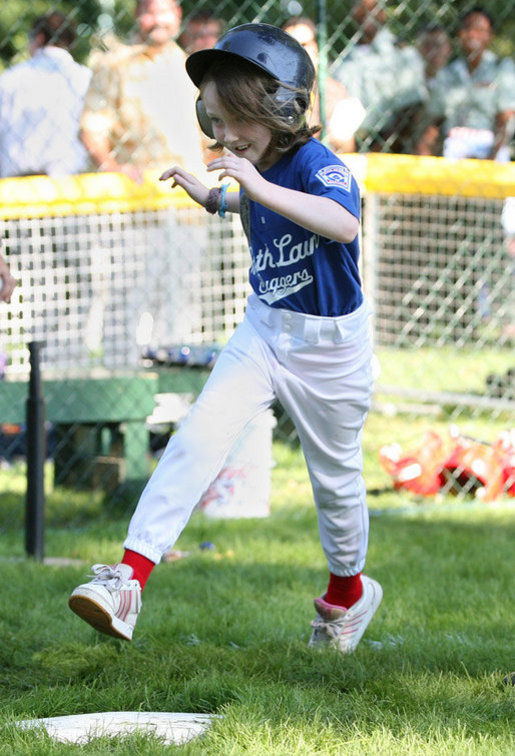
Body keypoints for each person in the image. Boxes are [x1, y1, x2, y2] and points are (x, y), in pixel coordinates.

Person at [68, 23, 383, 654]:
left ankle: (347, 595)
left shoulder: (313, 162)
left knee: (336, 481)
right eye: (213, 117)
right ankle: (129, 578)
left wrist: (255, 185)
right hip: (264, 331)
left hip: (330, 349)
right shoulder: (253, 169)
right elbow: (255, 205)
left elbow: (343, 224)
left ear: (282, 107)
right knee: (197, 439)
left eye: (236, 116)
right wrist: (216, 197)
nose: (224, 133)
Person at [80, 0, 204, 182]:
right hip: (137, 195)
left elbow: (210, 143)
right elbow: (91, 131)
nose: (158, 20)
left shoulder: (190, 66)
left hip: (191, 192)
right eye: (150, 12)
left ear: (178, 14)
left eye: (164, 12)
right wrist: (112, 169)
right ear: (137, 13)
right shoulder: (112, 65)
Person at [416, 7, 515, 160]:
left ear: (490, 36)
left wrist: (491, 159)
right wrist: (423, 154)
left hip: (490, 144)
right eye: (468, 29)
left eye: (480, 30)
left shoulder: (501, 68)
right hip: (455, 143)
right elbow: (434, 121)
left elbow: (506, 118)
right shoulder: (447, 73)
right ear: (460, 34)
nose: (473, 35)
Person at [0, 12, 91, 178]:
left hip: (16, 183)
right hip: (71, 182)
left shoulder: (10, 78)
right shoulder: (85, 78)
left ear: (39, 38)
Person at [331, 0, 426, 153]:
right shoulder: (343, 57)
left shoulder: (402, 54)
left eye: (373, 8)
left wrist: (379, 149)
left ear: (383, 13)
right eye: (359, 8)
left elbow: (410, 110)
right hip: (346, 143)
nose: (366, 14)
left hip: (388, 146)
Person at [282, 16, 365, 153]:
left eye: (304, 45)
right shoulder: (270, 90)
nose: (298, 52)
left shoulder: (334, 91)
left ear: (317, 49)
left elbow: (344, 145)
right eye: (292, 46)